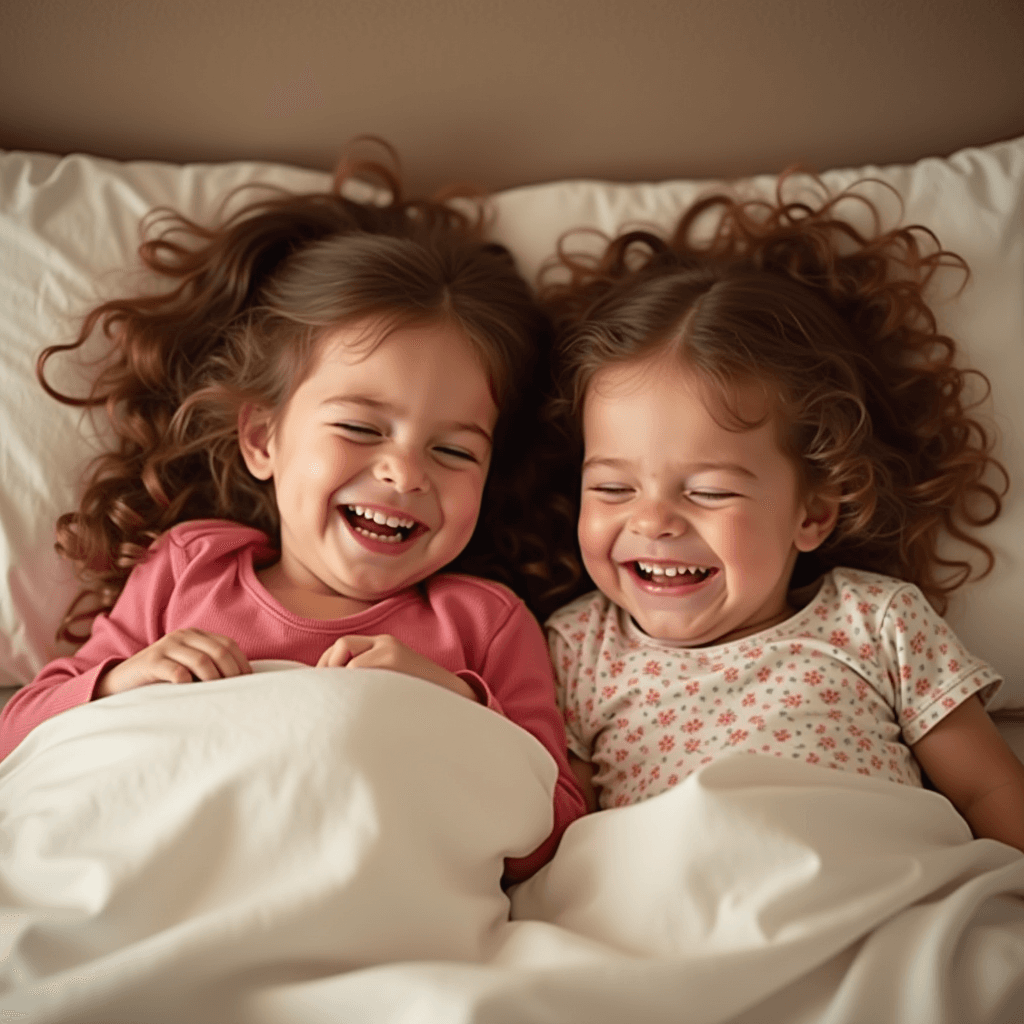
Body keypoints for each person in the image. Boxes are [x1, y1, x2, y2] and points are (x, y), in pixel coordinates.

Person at [0, 155, 586, 881]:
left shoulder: (484, 624)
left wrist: (458, 707)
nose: (405, 472)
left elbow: (557, 835)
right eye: (362, 429)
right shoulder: (193, 567)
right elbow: (19, 736)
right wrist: (122, 683)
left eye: (451, 450)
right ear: (262, 438)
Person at [542, 177, 1024, 853]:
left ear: (814, 513)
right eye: (614, 489)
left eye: (708, 491)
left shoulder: (877, 623)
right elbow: (565, 836)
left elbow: (986, 790)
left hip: (878, 896)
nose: (653, 522)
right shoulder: (578, 649)